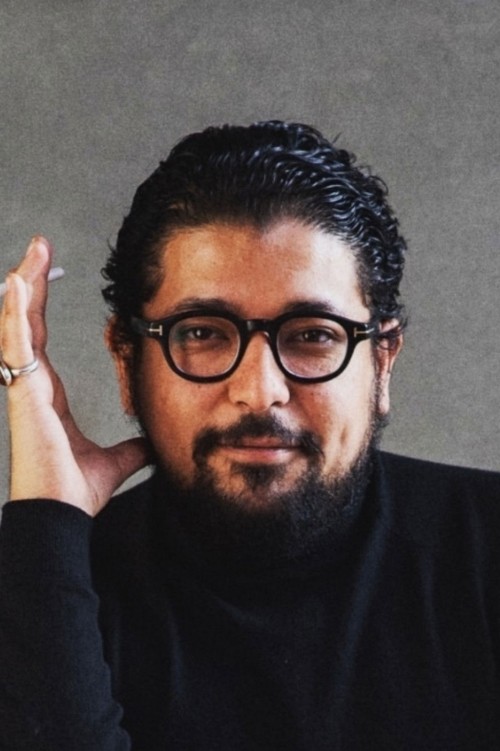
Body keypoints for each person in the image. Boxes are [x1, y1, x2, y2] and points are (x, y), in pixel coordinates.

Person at [0, 121, 499, 751]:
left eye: (313, 334)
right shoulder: (38, 592)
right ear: (127, 362)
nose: (259, 391)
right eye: (203, 333)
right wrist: (46, 529)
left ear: (384, 360)